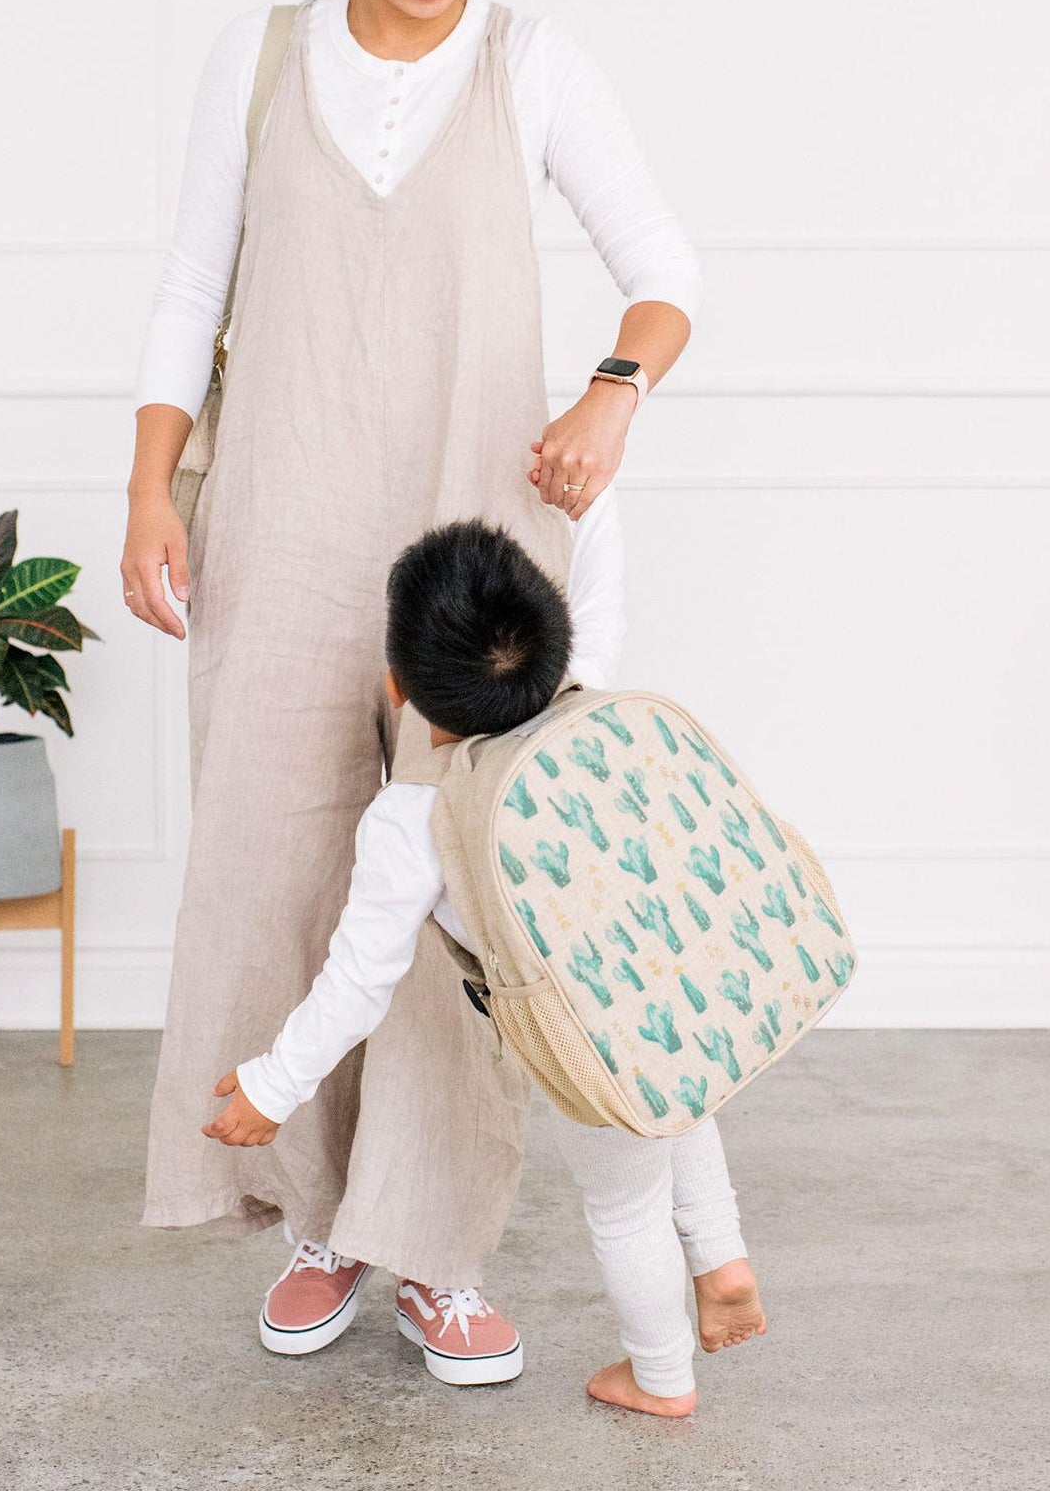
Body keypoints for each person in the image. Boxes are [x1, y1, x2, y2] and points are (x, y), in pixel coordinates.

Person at [124, 0, 702, 1366]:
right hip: (284, 527)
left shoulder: (540, 69)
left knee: (458, 898)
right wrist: (150, 491)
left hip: (476, 547)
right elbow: (190, 289)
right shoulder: (261, 57)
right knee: (281, 863)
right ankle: (315, 1226)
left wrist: (613, 390)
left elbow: (666, 274)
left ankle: (432, 1242)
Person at [204, 520, 768, 1417]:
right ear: (557, 642)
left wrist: (274, 1086)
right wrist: (598, 494)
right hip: (670, 984)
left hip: (578, 1043)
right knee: (682, 1108)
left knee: (624, 1207)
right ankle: (722, 1255)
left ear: (399, 689)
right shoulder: (588, 694)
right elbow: (604, 590)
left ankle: (660, 1378)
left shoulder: (411, 820)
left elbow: (358, 981)